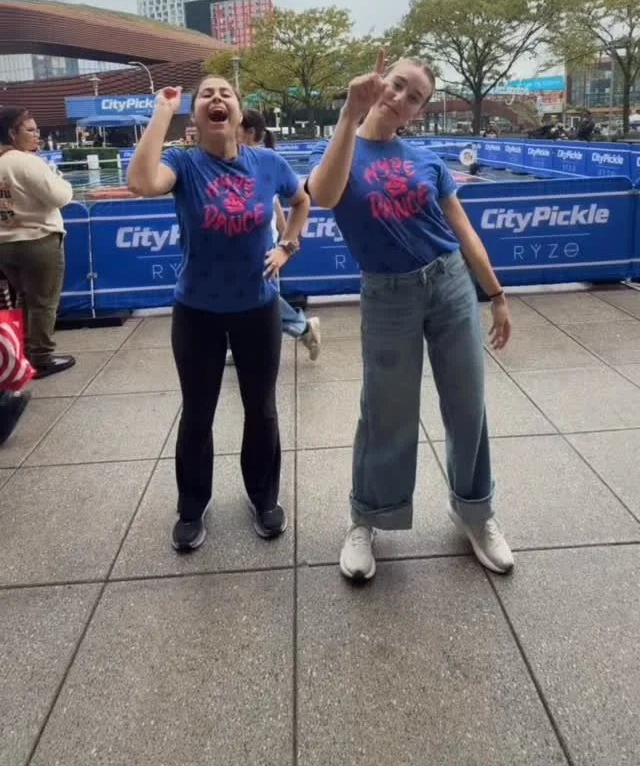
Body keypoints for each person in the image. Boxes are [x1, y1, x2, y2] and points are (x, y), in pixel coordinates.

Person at [306, 51, 514, 583]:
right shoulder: (344, 147)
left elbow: (462, 229)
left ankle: (475, 511)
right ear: (380, 81)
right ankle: (367, 517)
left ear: (418, 111)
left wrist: (495, 292)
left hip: (448, 285)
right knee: (385, 410)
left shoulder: (426, 160)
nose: (400, 98)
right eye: (396, 85)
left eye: (413, 96)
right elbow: (324, 195)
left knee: (468, 404)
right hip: (387, 295)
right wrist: (348, 114)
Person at [127, 78, 310, 552]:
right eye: (205, 94)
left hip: (257, 308)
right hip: (197, 311)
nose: (216, 99)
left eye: (224, 93)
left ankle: (263, 497)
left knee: (261, 407)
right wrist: (162, 112)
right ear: (195, 116)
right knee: (197, 412)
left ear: (238, 109)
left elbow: (302, 200)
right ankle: (192, 505)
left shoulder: (267, 163)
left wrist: (287, 246)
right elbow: (141, 183)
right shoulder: (183, 164)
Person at [237, 110, 321, 360]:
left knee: (262, 294)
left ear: (250, 133)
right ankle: (242, 344)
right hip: (253, 237)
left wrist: (286, 241)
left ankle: (302, 326)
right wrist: (285, 232)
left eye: (237, 127)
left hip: (262, 239)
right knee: (247, 292)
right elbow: (274, 202)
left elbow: (296, 200)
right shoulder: (235, 159)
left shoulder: (266, 160)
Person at [0, 108, 75, 378]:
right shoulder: (26, 162)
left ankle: (25, 352)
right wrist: (61, 180)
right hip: (38, 240)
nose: (37, 135)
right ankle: (41, 357)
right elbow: (60, 196)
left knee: (24, 298)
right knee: (44, 301)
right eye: (30, 130)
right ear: (12, 133)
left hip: (6, 243)